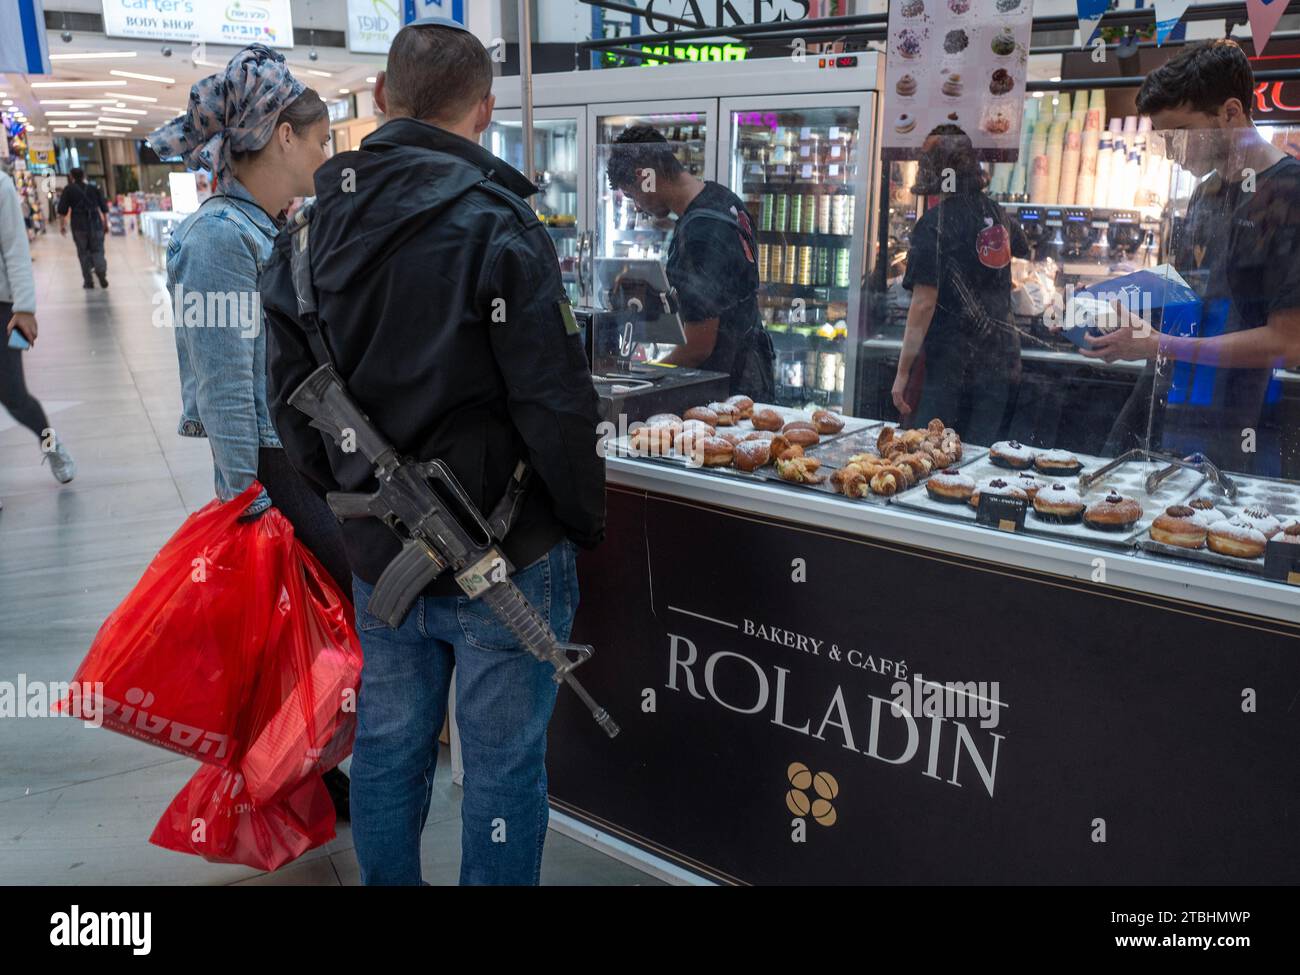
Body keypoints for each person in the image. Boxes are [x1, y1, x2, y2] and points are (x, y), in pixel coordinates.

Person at [261, 17, 606, 886]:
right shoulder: (502, 225)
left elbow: (290, 411)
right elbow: (555, 402)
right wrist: (576, 521)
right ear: (485, 111)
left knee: (387, 750)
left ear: (381, 97)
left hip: (385, 556)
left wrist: (357, 501)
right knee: (496, 772)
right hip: (511, 550)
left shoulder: (305, 234)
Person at [146, 45, 352, 815]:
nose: (327, 154)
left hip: (297, 455)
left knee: (318, 627)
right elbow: (229, 387)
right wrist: (246, 511)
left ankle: (311, 772)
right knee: (324, 618)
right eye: (323, 138)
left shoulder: (266, 227)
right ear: (283, 138)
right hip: (271, 466)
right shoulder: (218, 242)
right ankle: (298, 777)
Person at [1085, 40, 1300, 475]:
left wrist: (1158, 344)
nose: (1172, 151)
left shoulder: (1289, 194)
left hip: (1248, 429)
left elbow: (1288, 341)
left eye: (1180, 133)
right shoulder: (1205, 193)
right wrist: (1116, 304)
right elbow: (1189, 292)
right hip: (1177, 417)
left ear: (1230, 113)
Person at [606, 125, 775, 400]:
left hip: (724, 394)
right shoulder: (721, 198)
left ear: (644, 176)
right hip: (750, 377)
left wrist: (644, 378)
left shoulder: (700, 233)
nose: (637, 207)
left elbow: (697, 348)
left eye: (631, 195)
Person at [893, 124, 1029, 444]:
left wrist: (902, 373)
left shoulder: (934, 224)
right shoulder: (997, 213)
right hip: (999, 360)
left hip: (952, 369)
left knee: (935, 457)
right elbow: (1019, 258)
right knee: (979, 460)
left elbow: (924, 302)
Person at [1, 161, 77, 513]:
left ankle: (51, 445)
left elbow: (15, 249)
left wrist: (25, 308)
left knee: (14, 395)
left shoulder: (2, 186)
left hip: (3, 308)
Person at [56, 168, 109, 289]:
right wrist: (105, 223)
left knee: (83, 253)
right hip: (95, 223)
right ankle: (101, 272)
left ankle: (88, 281)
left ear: (71, 176)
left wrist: (62, 226)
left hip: (78, 225)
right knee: (98, 250)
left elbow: (62, 210)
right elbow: (103, 207)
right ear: (84, 175)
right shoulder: (93, 188)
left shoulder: (68, 190)